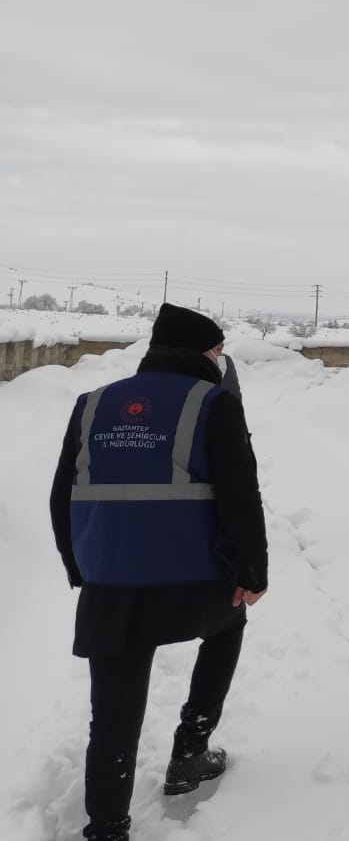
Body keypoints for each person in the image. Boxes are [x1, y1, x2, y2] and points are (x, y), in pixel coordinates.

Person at [50, 303, 268, 841]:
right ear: (201, 352)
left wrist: (82, 568)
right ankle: (190, 751)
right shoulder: (214, 403)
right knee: (229, 625)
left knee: (114, 712)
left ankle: (106, 826)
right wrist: (252, 571)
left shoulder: (92, 403)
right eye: (218, 351)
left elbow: (62, 496)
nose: (221, 360)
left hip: (111, 587)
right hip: (193, 582)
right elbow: (242, 494)